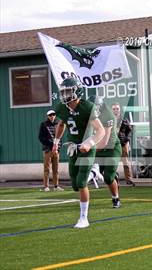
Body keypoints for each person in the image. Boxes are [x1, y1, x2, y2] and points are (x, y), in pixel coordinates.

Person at [52, 77, 105, 229]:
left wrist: (89, 143)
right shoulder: (62, 107)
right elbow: (61, 124)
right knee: (75, 185)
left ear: (77, 91)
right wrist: (56, 142)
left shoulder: (87, 106)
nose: (65, 95)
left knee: (81, 183)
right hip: (73, 148)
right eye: (63, 92)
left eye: (68, 91)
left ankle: (84, 218)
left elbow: (100, 130)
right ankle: (94, 173)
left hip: (87, 148)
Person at [88, 96, 122, 208]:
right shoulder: (90, 114)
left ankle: (115, 199)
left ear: (100, 106)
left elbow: (104, 141)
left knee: (108, 177)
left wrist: (88, 148)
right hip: (98, 146)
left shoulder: (108, 115)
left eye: (94, 107)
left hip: (111, 148)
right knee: (94, 172)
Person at [38, 110, 63, 191]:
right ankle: (46, 186)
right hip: (48, 150)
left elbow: (60, 136)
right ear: (48, 116)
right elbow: (41, 137)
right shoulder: (44, 124)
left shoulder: (58, 124)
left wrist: (58, 147)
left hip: (56, 150)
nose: (52, 116)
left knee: (56, 169)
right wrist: (51, 144)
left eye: (53, 114)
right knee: (47, 169)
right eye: (50, 115)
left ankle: (56, 186)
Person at [112, 103, 134, 185]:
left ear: (120, 109)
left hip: (123, 143)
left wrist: (126, 139)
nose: (115, 110)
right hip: (113, 144)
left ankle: (129, 179)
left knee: (126, 162)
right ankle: (113, 178)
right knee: (113, 162)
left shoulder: (124, 120)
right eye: (114, 109)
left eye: (117, 108)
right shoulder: (110, 120)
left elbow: (129, 131)